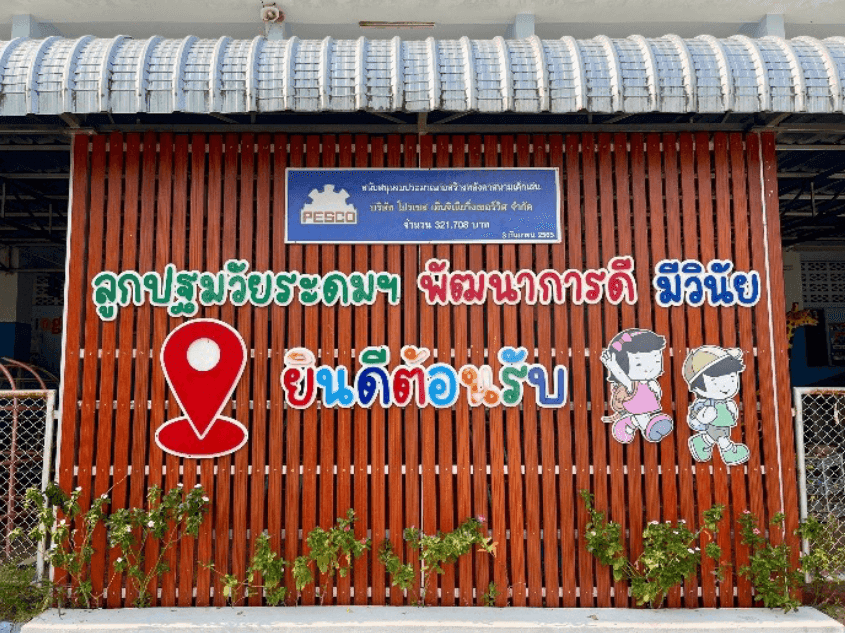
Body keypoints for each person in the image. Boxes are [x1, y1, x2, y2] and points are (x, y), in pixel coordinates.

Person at [600, 328, 674, 443]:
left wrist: (655, 391)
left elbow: (657, 392)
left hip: (647, 406)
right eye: (639, 364)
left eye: (656, 361)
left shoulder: (650, 382)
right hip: (636, 406)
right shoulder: (631, 384)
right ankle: (648, 430)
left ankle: (628, 424)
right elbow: (622, 376)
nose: (648, 368)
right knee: (642, 417)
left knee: (640, 417)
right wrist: (613, 366)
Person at [683, 345, 750, 467]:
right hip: (712, 424)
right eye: (714, 381)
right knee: (721, 437)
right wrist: (704, 416)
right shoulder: (704, 403)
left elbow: (730, 410)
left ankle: (702, 442)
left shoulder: (726, 402)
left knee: (720, 434)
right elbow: (694, 419)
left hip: (723, 423)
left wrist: (732, 409)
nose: (725, 386)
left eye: (731, 377)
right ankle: (729, 452)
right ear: (697, 386)